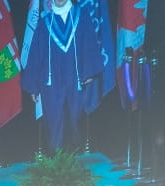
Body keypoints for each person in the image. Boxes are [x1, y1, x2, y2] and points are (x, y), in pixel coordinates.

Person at [21, 0, 114, 151]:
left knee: (75, 121)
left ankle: (74, 162)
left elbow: (89, 44)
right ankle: (56, 164)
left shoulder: (81, 16)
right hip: (50, 82)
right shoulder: (45, 22)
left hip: (75, 78)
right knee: (53, 122)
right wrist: (34, 86)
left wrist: (88, 73)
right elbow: (36, 54)